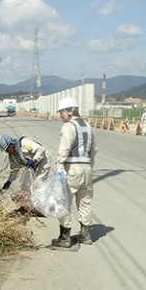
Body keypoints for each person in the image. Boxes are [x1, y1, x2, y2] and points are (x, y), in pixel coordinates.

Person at [54, 97, 98, 248]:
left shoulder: (68, 126)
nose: (60, 115)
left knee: (64, 202)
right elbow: (94, 150)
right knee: (85, 202)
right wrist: (89, 165)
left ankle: (65, 237)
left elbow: (65, 147)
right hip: (87, 169)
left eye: (62, 112)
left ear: (71, 111)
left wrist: (59, 166)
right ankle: (86, 236)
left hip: (72, 168)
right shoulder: (88, 126)